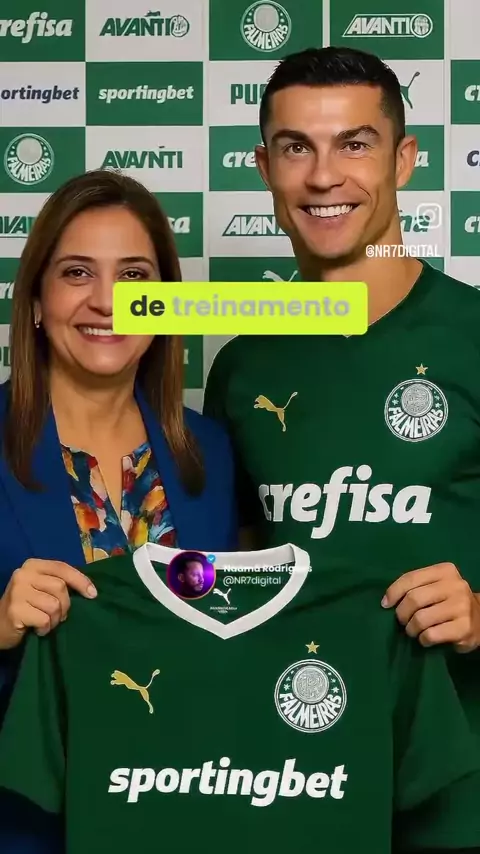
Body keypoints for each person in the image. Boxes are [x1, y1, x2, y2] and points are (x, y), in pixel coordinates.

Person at [203, 46, 480, 850]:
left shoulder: (470, 336)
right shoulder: (243, 367)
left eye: (355, 144)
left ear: (404, 159)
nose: (325, 177)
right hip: (299, 787)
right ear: (265, 168)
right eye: (297, 147)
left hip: (462, 799)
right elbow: (234, 575)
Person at [0, 169, 237, 854]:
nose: (108, 302)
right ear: (37, 300)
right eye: (77, 272)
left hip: (183, 822)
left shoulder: (211, 453)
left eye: (135, 276)